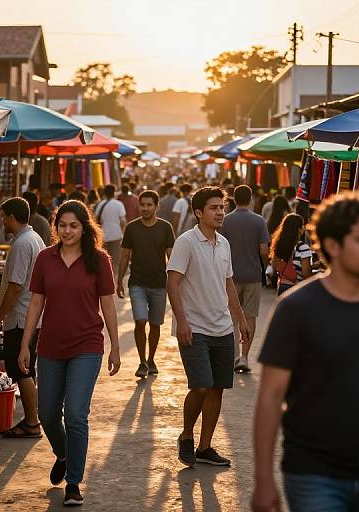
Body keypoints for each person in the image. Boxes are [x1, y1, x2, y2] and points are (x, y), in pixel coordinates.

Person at [252, 192, 359, 512]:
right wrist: (262, 478)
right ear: (332, 245)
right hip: (315, 473)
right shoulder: (296, 309)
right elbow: (271, 396)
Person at [18, 200, 121, 507]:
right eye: (62, 225)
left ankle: (73, 481)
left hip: (86, 346)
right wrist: (26, 343)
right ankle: (63, 453)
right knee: (47, 414)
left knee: (76, 414)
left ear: (84, 227)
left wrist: (115, 345)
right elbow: (35, 303)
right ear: (56, 227)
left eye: (73, 225)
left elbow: (109, 304)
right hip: (50, 346)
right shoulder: (44, 258)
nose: (67, 230)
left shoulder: (99, 260)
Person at [167, 186, 250, 468]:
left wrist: (240, 320)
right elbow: (173, 282)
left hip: (222, 328)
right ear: (198, 212)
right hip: (194, 328)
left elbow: (228, 284)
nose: (220, 212)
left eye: (221, 207)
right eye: (214, 208)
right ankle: (187, 434)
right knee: (201, 385)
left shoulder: (224, 244)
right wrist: (181, 321)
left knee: (217, 389)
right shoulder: (186, 242)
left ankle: (205, 447)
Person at [0, 197, 45, 438]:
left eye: (3, 217)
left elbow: (14, 286)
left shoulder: (23, 243)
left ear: (12, 217)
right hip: (29, 315)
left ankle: (32, 422)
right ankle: (32, 419)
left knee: (21, 369)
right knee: (26, 368)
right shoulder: (33, 239)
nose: (1, 221)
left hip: (22, 317)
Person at [117, 190, 175, 378]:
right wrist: (119, 280)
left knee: (155, 324)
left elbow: (171, 256)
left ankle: (151, 359)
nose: (145, 208)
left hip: (159, 284)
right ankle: (142, 361)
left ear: (156, 206)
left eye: (149, 205)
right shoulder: (132, 228)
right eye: (142, 205)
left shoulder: (165, 228)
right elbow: (125, 255)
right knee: (140, 320)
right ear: (138, 206)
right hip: (137, 283)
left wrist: (175, 282)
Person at [221, 185, 269, 373]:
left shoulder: (226, 221)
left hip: (230, 276)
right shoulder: (258, 221)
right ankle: (245, 357)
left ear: (233, 198)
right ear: (251, 199)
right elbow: (264, 250)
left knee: (232, 317)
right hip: (253, 275)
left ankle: (233, 356)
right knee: (250, 316)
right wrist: (264, 266)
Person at [269, 213, 312, 296]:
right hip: (298, 288)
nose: (304, 228)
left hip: (282, 286)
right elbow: (306, 273)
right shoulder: (303, 248)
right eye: (302, 225)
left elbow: (274, 266)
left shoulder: (279, 245)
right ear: (299, 229)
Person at [94, 184, 126, 276]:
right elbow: (123, 220)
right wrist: (123, 232)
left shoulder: (100, 204)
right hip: (116, 235)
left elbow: (96, 220)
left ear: (104, 193)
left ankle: (106, 277)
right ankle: (114, 279)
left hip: (103, 236)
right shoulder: (119, 204)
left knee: (104, 260)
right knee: (115, 259)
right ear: (114, 192)